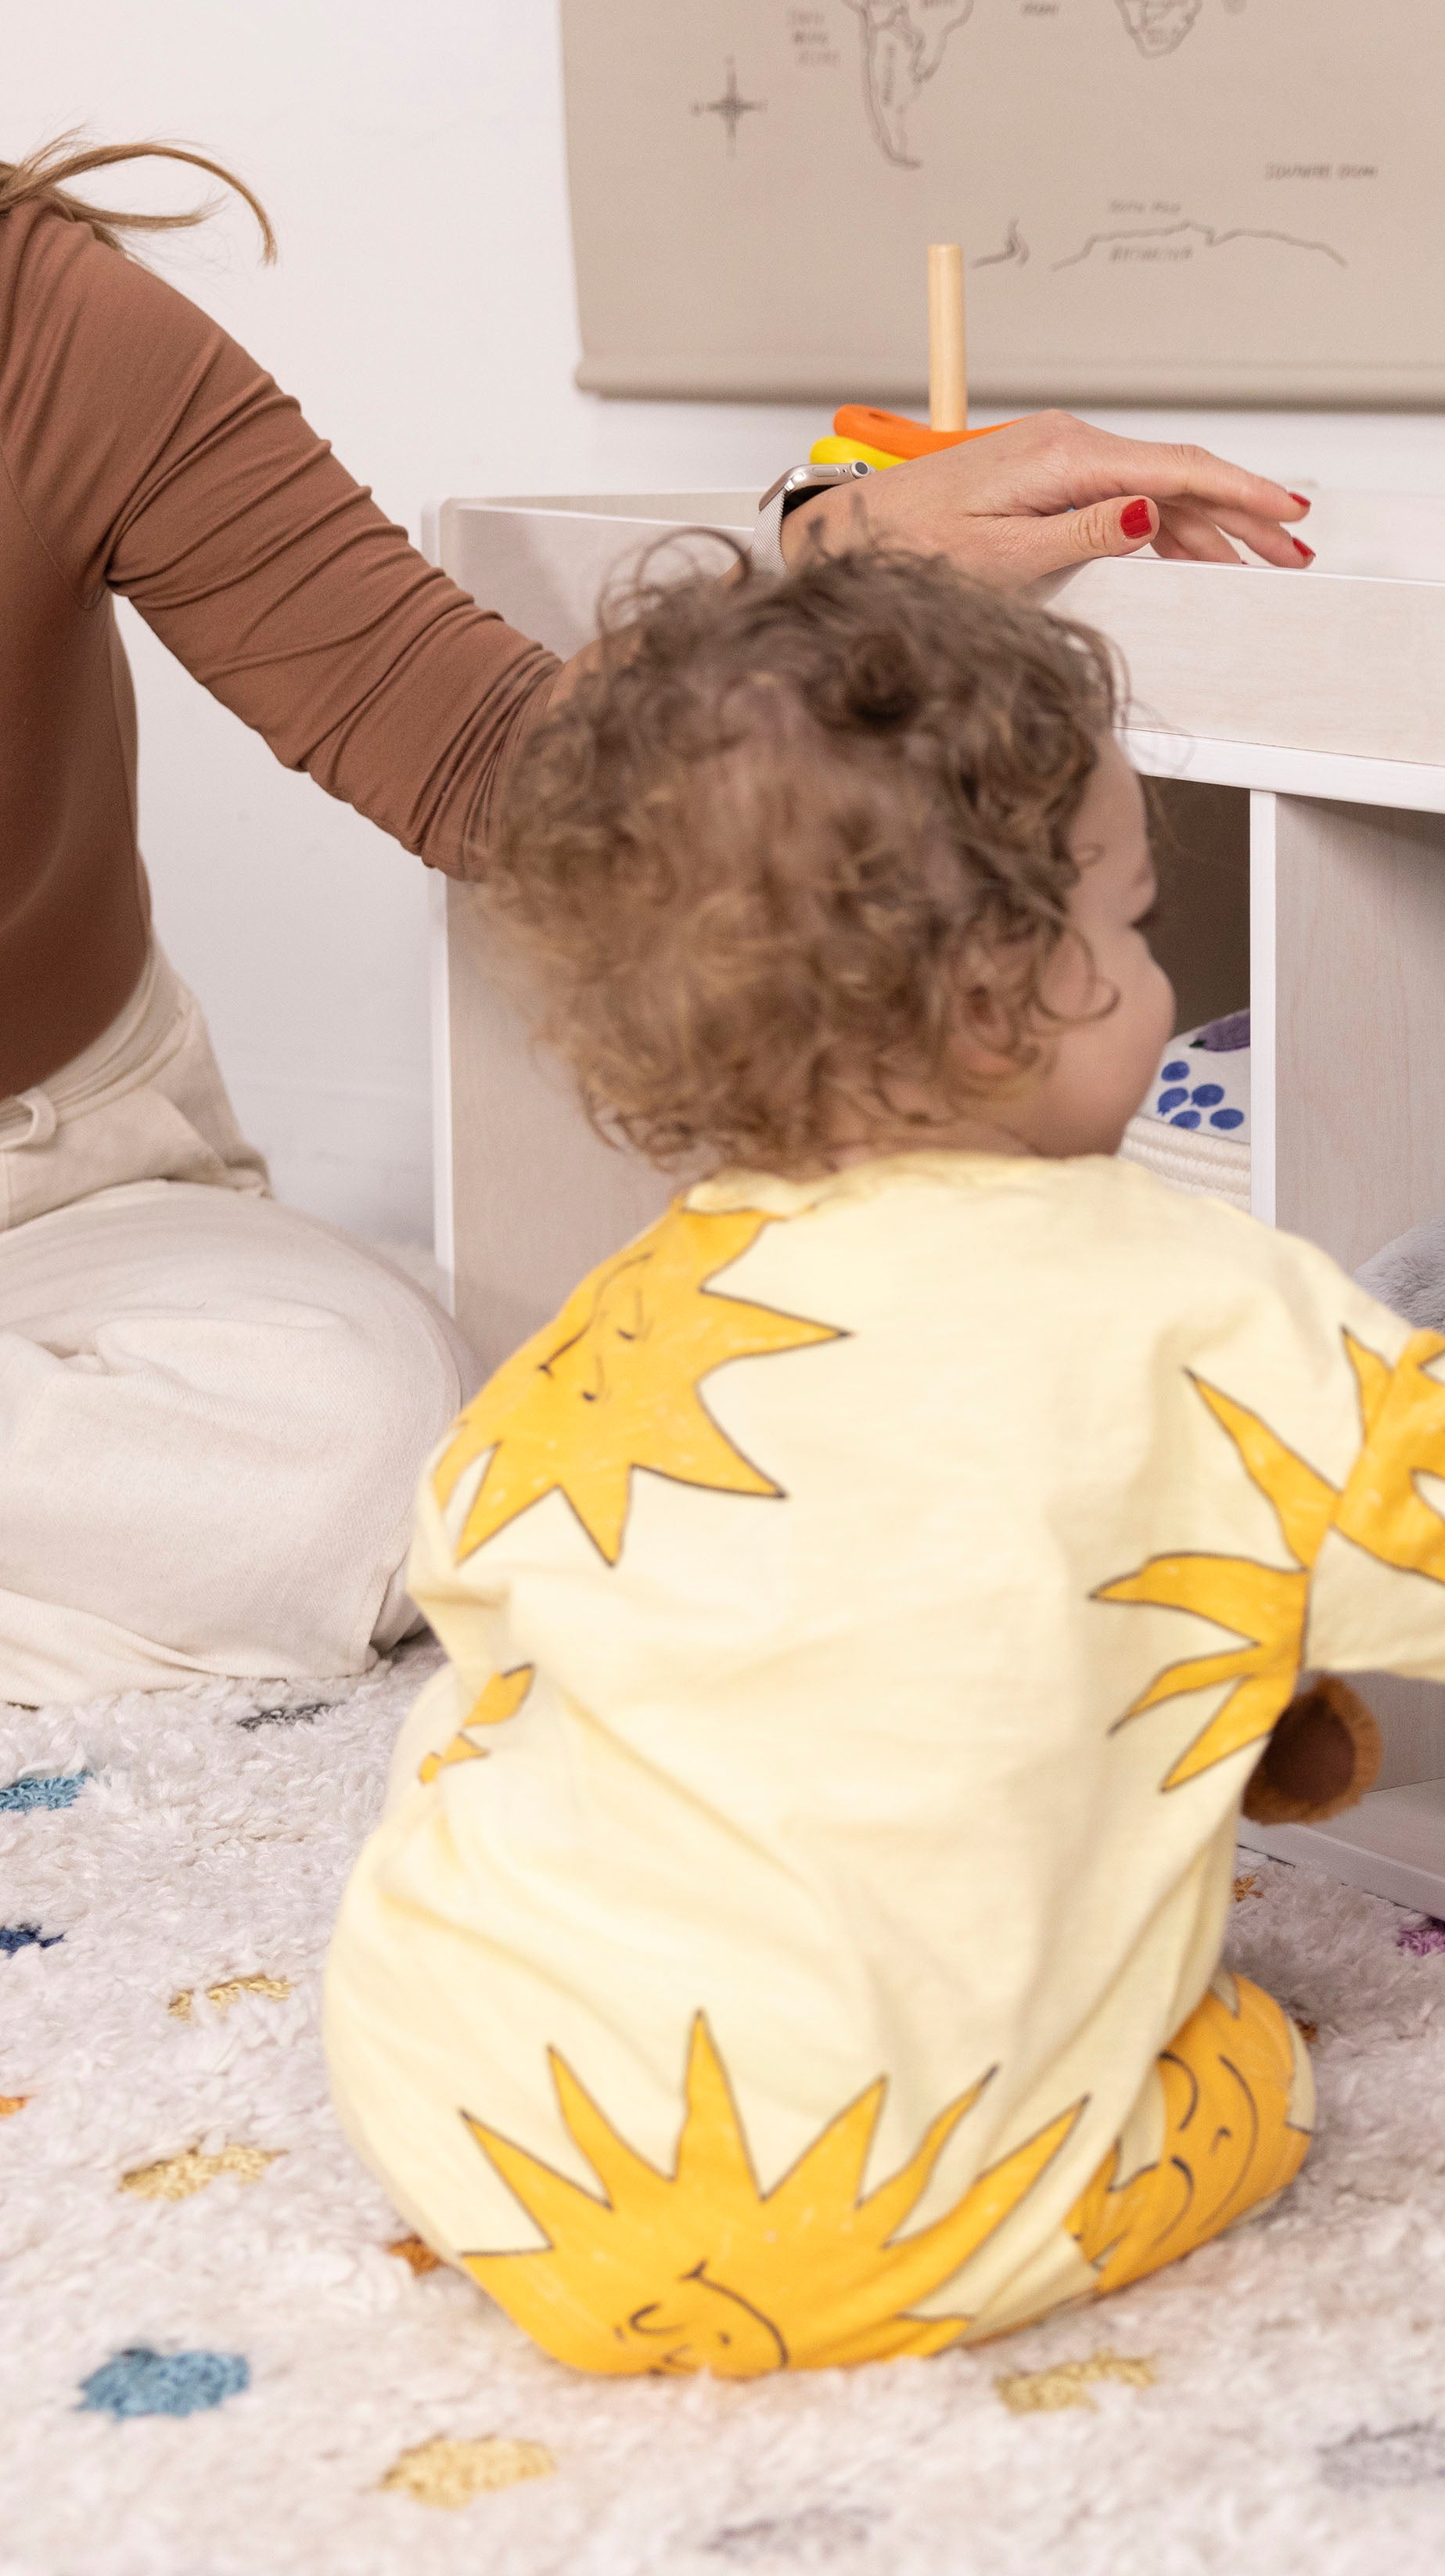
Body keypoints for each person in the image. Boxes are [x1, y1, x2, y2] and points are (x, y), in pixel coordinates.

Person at [320, 546, 1445, 2372]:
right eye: (1141, 920)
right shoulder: (1195, 1306)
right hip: (885, 2220)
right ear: (1016, 984)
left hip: (475, 2114)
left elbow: (502, 1588)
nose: (1159, 973)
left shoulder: (634, 1311)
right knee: (1253, 2053)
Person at [0, 132, 1310, 1701]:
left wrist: (843, 557)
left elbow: (499, 768)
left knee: (351, 1450)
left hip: (63, 1186)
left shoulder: (54, 325)